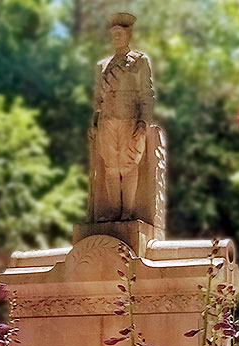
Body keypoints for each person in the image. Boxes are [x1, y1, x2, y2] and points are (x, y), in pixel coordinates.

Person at [91, 12, 155, 221]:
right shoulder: (103, 65)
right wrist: (94, 124)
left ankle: (127, 212)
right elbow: (97, 100)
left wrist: (144, 121)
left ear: (129, 35)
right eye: (113, 34)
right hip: (107, 121)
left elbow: (146, 94)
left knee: (128, 166)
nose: (116, 37)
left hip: (129, 120)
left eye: (120, 33)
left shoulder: (139, 61)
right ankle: (113, 212)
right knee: (111, 168)